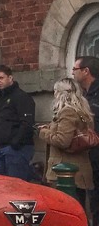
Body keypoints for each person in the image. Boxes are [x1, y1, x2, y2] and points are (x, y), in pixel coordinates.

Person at [38, 77, 94, 212]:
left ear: (61, 93)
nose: (54, 94)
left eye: (55, 91)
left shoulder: (67, 111)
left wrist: (43, 132)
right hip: (79, 170)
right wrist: (51, 127)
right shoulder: (82, 110)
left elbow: (63, 141)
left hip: (65, 172)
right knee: (78, 210)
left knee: (68, 212)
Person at [0, 65, 37, 181]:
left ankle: (34, 176)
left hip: (17, 149)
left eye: (1, 78)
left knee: (15, 185)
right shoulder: (1, 98)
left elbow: (27, 123)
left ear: (10, 78)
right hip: (0, 148)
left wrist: (15, 143)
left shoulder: (21, 97)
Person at [72, 56, 99, 225]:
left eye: (75, 69)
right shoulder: (85, 95)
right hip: (91, 156)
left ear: (86, 71)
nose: (72, 72)